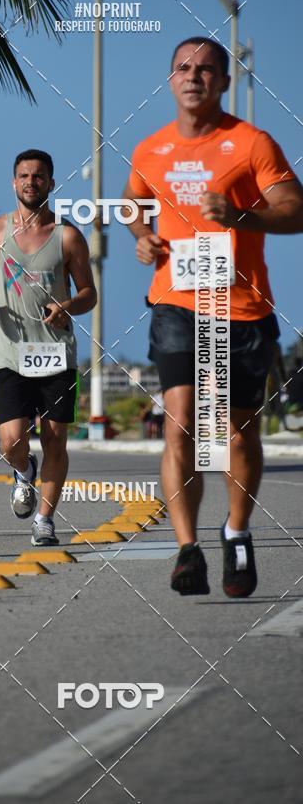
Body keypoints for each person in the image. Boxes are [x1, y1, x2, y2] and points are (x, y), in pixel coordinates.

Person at [123, 36, 303, 597]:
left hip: (242, 307)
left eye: (206, 69)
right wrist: (142, 237)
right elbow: (133, 202)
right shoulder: (149, 149)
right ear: (170, 80)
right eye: (183, 68)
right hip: (176, 304)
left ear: (224, 82)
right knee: (180, 423)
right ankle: (186, 549)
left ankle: (237, 531)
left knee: (236, 434)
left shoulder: (251, 143)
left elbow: (296, 211)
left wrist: (243, 216)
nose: (193, 76)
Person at [0, 148, 96, 546]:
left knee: (56, 437)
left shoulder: (69, 236)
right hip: (8, 350)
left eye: (38, 177)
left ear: (51, 184)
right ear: (13, 182)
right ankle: (24, 471)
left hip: (56, 353)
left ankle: (45, 519)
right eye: (23, 176)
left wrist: (68, 306)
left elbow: (89, 293)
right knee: (10, 440)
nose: (30, 182)